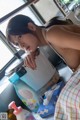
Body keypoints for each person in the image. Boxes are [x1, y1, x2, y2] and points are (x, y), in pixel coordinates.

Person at [6, 14, 80, 71]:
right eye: (17, 44)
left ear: (31, 27)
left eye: (19, 37)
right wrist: (31, 52)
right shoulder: (48, 36)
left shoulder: (52, 34)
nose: (21, 45)